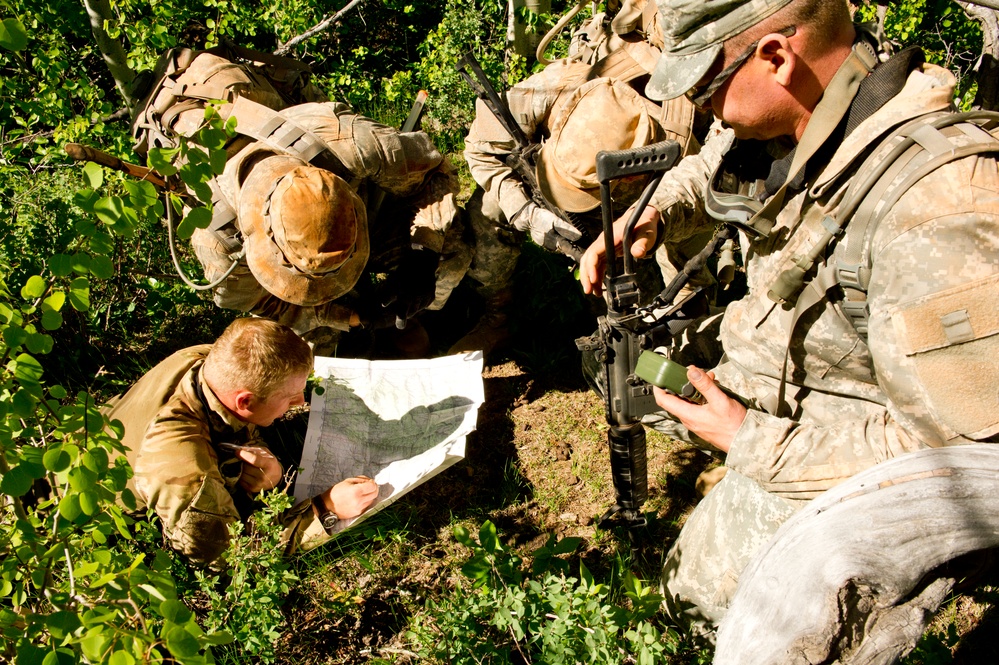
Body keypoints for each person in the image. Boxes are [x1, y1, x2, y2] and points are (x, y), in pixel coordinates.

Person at [579, 0, 999, 640]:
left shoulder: (938, 208)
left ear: (776, 57)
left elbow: (959, 461)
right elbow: (711, 165)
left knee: (699, 602)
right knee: (635, 382)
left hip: (844, 447)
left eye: (707, 88)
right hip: (768, 380)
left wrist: (752, 441)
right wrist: (656, 211)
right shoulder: (803, 108)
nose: (704, 110)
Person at [132, 47, 471, 357]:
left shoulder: (347, 142)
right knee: (300, 349)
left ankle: (418, 315)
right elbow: (269, 305)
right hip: (287, 270)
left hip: (371, 216)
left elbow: (436, 174)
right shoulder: (218, 243)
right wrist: (350, 317)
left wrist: (423, 256)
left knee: (452, 249)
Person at [453, 35, 708, 356]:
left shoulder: (681, 164)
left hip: (631, 222)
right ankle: (498, 317)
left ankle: (619, 325)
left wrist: (668, 332)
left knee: (645, 310)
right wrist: (525, 212)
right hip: (549, 198)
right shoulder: (554, 92)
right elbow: (480, 149)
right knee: (489, 206)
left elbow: (689, 281)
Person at [105, 318, 379, 568]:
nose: (301, 403)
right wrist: (325, 509)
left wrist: (264, 461)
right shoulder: (183, 471)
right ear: (245, 401)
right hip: (96, 506)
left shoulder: (210, 361)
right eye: (290, 396)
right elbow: (232, 558)